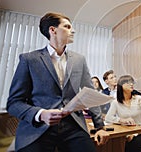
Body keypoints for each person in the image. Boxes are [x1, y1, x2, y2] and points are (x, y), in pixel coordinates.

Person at [7, 12, 109, 152]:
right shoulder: (29, 59)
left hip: (73, 127)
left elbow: (90, 94)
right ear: (52, 30)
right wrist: (41, 114)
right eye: (67, 27)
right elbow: (14, 103)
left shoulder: (79, 60)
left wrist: (100, 127)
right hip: (38, 128)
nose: (73, 30)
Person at [105, 75, 141, 152]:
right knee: (112, 144)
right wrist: (120, 120)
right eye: (128, 83)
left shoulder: (139, 99)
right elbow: (108, 118)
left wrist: (134, 134)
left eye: (132, 82)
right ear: (121, 86)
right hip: (124, 133)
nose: (131, 84)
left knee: (130, 146)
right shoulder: (116, 102)